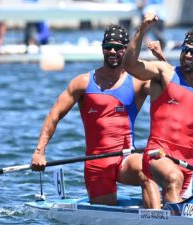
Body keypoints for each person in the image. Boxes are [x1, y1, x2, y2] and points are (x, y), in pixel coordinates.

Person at [30, 24, 165, 207]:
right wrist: (39, 152)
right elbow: (55, 115)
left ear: (126, 50)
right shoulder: (82, 83)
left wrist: (160, 58)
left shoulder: (137, 83)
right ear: (102, 48)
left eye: (118, 47)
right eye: (108, 46)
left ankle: (157, 218)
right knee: (105, 210)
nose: (112, 51)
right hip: (96, 162)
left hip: (125, 157)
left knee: (147, 171)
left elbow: (173, 88)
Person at [123, 12, 193, 209]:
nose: (187, 55)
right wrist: (142, 29)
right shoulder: (163, 73)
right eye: (185, 49)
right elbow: (130, 65)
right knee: (173, 178)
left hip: (187, 164)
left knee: (172, 200)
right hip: (156, 155)